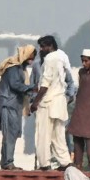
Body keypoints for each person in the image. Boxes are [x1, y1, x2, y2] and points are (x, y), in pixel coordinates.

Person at [31, 35, 69, 170]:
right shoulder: (63, 56)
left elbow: (45, 83)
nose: (41, 49)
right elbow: (68, 79)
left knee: (43, 134)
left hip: (47, 102)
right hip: (60, 101)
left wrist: (35, 102)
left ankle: (44, 164)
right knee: (58, 134)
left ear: (50, 46)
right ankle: (65, 162)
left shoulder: (49, 59)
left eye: (43, 46)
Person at [0, 44, 36, 170]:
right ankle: (8, 162)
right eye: (31, 57)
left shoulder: (20, 69)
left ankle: (5, 161)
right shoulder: (13, 69)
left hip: (13, 105)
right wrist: (31, 87)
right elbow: (15, 85)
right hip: (8, 104)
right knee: (10, 134)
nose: (32, 60)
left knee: (10, 134)